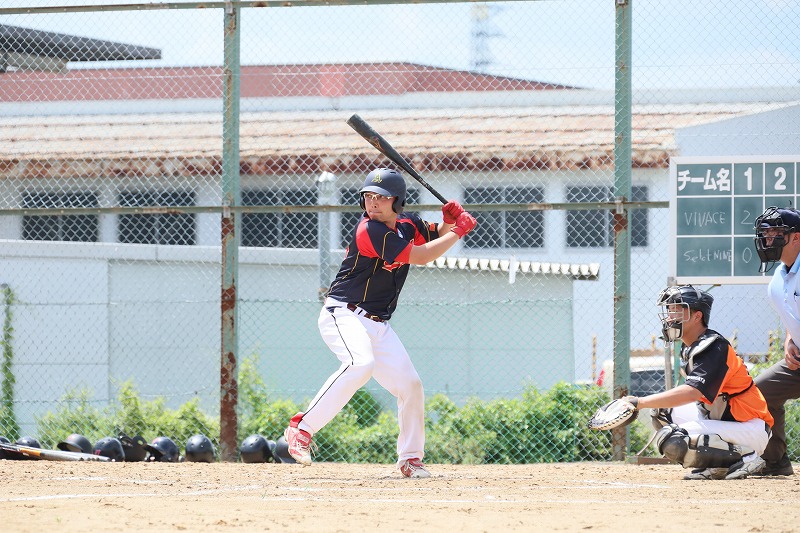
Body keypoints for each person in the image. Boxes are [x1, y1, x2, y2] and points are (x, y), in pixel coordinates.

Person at [282, 167, 477, 478]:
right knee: (360, 364)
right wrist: (459, 232)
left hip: (378, 324)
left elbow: (435, 235)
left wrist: (450, 222)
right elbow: (421, 256)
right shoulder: (369, 230)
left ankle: (410, 459)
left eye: (382, 197)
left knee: (411, 386)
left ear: (396, 201)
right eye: (369, 196)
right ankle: (301, 428)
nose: (373, 202)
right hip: (343, 313)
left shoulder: (408, 223)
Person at [623, 285, 773, 480]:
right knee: (662, 412)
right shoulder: (690, 347)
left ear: (697, 316)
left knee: (672, 438)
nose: (670, 317)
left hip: (749, 428)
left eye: (677, 310)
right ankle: (718, 465)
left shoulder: (714, 346)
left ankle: (747, 456)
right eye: (669, 310)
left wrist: (640, 402)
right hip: (726, 422)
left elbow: (693, 392)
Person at [751, 206, 800, 476]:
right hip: (798, 360)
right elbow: (792, 316)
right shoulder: (778, 279)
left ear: (796, 238)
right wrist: (789, 339)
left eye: (776, 232)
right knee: (759, 393)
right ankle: (775, 461)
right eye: (766, 233)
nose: (768, 238)